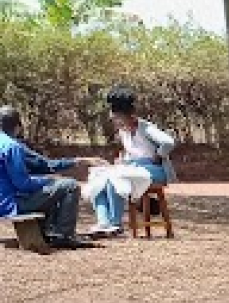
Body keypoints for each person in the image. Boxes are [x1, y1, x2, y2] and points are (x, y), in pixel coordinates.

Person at [82, 86, 176, 235]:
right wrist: (123, 161)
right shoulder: (123, 131)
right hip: (133, 169)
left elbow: (168, 142)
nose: (114, 119)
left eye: (117, 116)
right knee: (99, 176)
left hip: (154, 170)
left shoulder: (145, 128)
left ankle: (115, 223)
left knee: (116, 177)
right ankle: (103, 222)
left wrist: (158, 156)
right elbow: (133, 153)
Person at [0, 106, 91, 248]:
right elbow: (22, 184)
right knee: (70, 186)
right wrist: (48, 179)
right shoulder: (12, 146)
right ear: (17, 127)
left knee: (50, 189)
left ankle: (48, 231)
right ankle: (63, 235)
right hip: (9, 204)